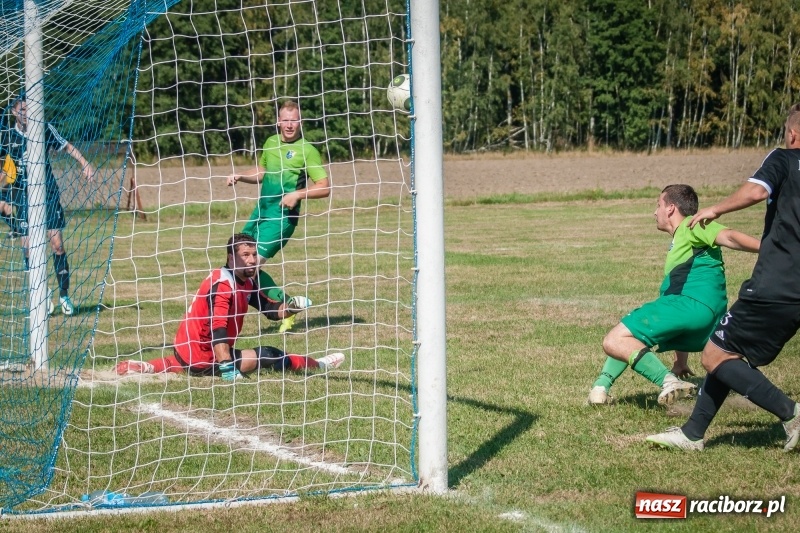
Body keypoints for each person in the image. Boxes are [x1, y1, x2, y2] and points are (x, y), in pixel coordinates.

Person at [647, 104, 800, 451]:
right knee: (727, 350)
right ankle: (693, 434)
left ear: (792, 134)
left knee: (715, 355)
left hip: (780, 281)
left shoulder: (785, 158)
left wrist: (716, 208)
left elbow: (757, 191)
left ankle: (791, 414)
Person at [588, 184, 760, 407]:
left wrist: (769, 249)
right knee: (633, 337)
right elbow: (681, 319)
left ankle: (668, 382)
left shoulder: (692, 225)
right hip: (706, 324)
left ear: (670, 209)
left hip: (691, 306)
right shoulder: (682, 239)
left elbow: (729, 237)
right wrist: (680, 360)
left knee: (614, 339)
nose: (654, 212)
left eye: (657, 205)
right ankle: (600, 388)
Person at [114, 234, 344, 380]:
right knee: (270, 354)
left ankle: (149, 367)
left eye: (254, 254)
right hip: (206, 355)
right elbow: (218, 328)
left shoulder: (245, 280)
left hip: (185, 349)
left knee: (186, 363)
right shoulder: (224, 285)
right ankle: (319, 365)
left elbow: (269, 309)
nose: (252, 260)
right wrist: (226, 366)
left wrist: (291, 307)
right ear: (231, 258)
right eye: (246, 255)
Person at [226, 100, 331, 333]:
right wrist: (241, 176)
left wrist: (298, 194)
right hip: (259, 213)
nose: (290, 125)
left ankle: (231, 320)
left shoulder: (307, 150)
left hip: (281, 219)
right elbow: (262, 172)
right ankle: (288, 304)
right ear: (279, 122)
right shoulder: (271, 143)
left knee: (246, 269)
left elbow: (324, 186)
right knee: (236, 263)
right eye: (286, 120)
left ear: (300, 122)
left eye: (294, 120)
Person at [0, 96, 95, 315]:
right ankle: (40, 294)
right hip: (24, 195)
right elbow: (5, 168)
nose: (26, 113)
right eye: (22, 109)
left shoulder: (42, 128)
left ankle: (64, 296)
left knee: (57, 245)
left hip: (48, 194)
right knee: (27, 248)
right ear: (14, 112)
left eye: (29, 109)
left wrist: (85, 163)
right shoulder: (7, 136)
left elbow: (67, 146)